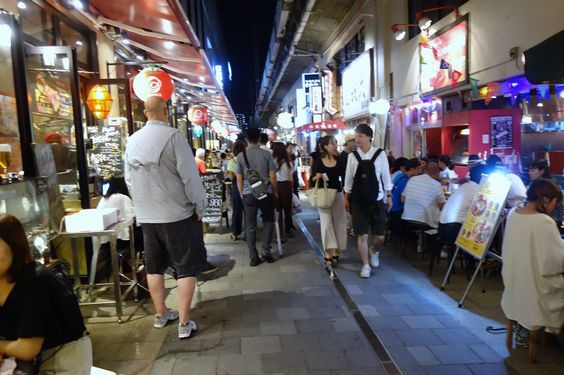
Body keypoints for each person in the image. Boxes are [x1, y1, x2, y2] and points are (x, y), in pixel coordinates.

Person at [125, 96, 208, 339]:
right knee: (185, 267)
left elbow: (129, 180)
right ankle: (184, 322)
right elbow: (190, 177)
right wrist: (199, 204)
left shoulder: (132, 141)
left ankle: (161, 314)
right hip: (177, 214)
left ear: (144, 112)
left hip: (147, 216)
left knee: (154, 266)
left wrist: (142, 205)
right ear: (165, 110)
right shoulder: (174, 137)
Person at [0, 214, 92, 374]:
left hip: (62, 357)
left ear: (14, 245)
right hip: (29, 360)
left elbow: (27, 348)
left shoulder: (34, 280)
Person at [501, 179, 564, 347]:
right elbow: (555, 261)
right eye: (554, 204)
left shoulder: (514, 213)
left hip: (514, 285)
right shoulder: (544, 221)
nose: (553, 209)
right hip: (536, 292)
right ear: (545, 200)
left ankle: (524, 330)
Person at [344, 124, 393, 279]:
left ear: (369, 137)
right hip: (358, 200)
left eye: (360, 136)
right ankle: (365, 265)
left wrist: (389, 195)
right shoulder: (352, 156)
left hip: (377, 198)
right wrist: (346, 197)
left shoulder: (380, 154)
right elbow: (348, 178)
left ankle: (374, 251)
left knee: (380, 236)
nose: (357, 139)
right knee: (362, 235)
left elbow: (386, 176)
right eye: (356, 136)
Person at [236, 127, 278, 266]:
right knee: (268, 221)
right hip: (265, 192)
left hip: (249, 194)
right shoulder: (266, 154)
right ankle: (266, 250)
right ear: (259, 139)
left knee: (250, 225)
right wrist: (275, 191)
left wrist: (242, 192)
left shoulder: (241, 156)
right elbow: (272, 175)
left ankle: (253, 256)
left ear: (246, 139)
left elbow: (239, 178)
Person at [311, 136, 347, 267]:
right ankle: (328, 252)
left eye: (336, 143)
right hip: (324, 194)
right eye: (332, 143)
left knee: (340, 222)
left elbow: (345, 175)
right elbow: (312, 179)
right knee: (326, 224)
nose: (335, 145)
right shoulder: (317, 161)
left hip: (337, 193)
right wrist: (318, 176)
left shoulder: (339, 159)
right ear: (325, 146)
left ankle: (337, 251)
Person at [438, 164, 486, 244]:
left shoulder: (465, 186)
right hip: (452, 229)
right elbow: (481, 212)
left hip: (441, 226)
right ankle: (471, 256)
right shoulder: (477, 190)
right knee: (480, 230)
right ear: (484, 177)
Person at [402, 162, 446, 230]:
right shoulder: (436, 184)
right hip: (425, 221)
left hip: (407, 217)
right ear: (437, 173)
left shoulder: (412, 179)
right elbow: (442, 205)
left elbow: (403, 199)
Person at [272, 142, 294, 241]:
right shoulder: (288, 162)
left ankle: (280, 234)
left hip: (276, 186)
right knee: (287, 209)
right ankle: (288, 230)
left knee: (278, 210)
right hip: (286, 186)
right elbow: (291, 178)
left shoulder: (272, 161)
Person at [390, 158, 420, 229]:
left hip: (392, 208)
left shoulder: (400, 176)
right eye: (418, 169)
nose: (419, 172)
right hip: (398, 211)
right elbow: (402, 199)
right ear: (412, 169)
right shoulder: (405, 181)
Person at [226, 141, 246, 241]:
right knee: (248, 211)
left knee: (237, 211)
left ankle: (235, 233)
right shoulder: (247, 159)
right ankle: (248, 234)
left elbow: (231, 177)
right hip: (247, 187)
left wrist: (228, 173)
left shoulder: (232, 161)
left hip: (236, 187)